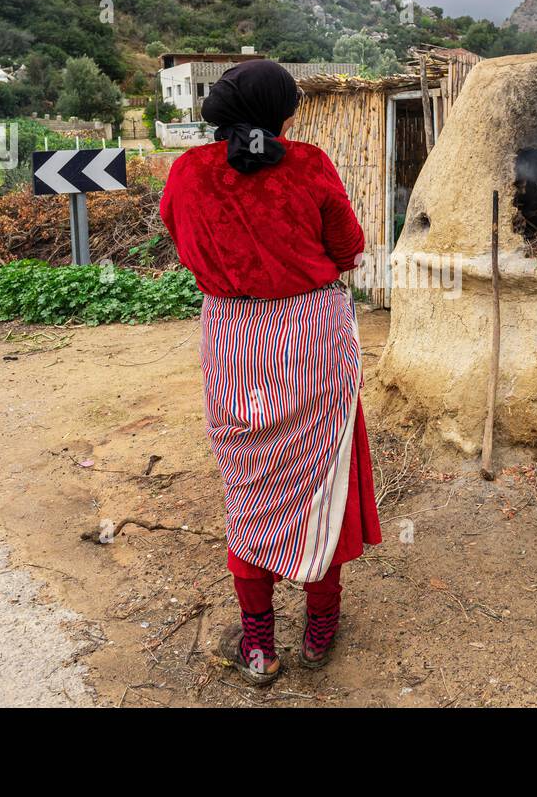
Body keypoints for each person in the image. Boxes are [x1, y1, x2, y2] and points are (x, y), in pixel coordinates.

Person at [158, 60, 381, 685]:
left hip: (233, 344)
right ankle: (320, 628)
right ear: (283, 111)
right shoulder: (309, 164)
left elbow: (182, 239)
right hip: (312, 340)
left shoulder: (186, 172)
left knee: (250, 491)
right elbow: (348, 249)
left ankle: (258, 645)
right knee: (320, 482)